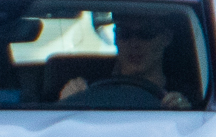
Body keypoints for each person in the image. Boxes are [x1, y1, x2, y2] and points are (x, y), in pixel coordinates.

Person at [58, 11, 193, 109]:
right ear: (116, 38)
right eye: (125, 33)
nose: (134, 44)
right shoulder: (89, 91)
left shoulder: (191, 95)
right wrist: (68, 102)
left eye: (146, 33)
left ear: (167, 38)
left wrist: (182, 114)